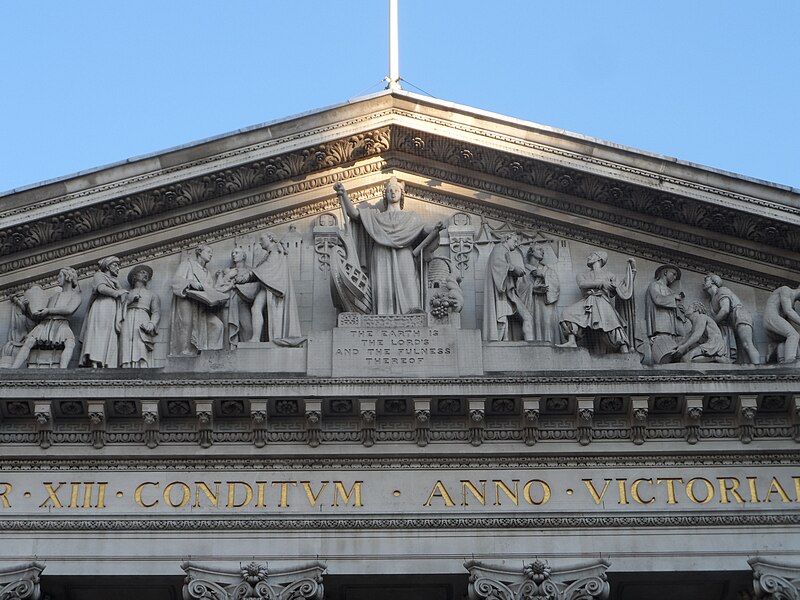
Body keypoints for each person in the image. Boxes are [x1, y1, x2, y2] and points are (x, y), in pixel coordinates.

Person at [333, 178, 443, 315]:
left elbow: (425, 230)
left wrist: (436, 227)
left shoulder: (411, 217)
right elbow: (354, 214)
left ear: (402, 194)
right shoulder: (375, 216)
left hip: (404, 253)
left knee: (409, 283)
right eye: (389, 190)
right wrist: (343, 195)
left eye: (396, 190)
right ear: (385, 194)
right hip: (381, 253)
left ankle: (412, 314)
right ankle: (382, 315)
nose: (393, 192)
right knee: (382, 289)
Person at [557, 251, 636, 353]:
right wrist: (601, 284)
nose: (589, 257)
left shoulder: (609, 275)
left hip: (602, 301)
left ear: (599, 258)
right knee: (567, 314)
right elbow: (582, 284)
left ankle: (624, 349)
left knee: (612, 325)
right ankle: (572, 341)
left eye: (592, 255)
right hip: (588, 302)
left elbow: (623, 288)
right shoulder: (582, 275)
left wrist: (632, 271)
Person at [11, 267, 82, 369]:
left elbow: (69, 310)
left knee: (70, 343)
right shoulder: (53, 297)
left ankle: (63, 371)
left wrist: (48, 310)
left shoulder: (75, 296)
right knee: (28, 342)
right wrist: (26, 308)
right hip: (45, 324)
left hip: (61, 324)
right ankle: (14, 368)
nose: (57, 279)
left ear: (67, 277)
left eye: (60, 276)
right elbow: (36, 316)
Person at [235, 234, 301, 343]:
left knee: (256, 308)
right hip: (268, 285)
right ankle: (256, 337)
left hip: (271, 286)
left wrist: (246, 277)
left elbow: (266, 269)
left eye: (262, 239)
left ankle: (256, 338)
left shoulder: (276, 251)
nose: (260, 242)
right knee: (256, 308)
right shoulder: (271, 253)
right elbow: (261, 270)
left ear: (270, 238)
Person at [170, 244, 225, 356]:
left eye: (211, 253)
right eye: (208, 251)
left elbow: (210, 291)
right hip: (187, 299)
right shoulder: (187, 264)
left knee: (217, 325)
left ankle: (212, 355)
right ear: (199, 252)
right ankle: (184, 351)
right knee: (187, 324)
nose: (211, 254)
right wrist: (190, 283)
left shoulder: (207, 273)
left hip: (202, 305)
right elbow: (175, 280)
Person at [482, 233, 533, 342]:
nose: (516, 244)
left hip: (508, 292)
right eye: (514, 241)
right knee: (505, 317)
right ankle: (502, 342)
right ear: (507, 238)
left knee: (515, 317)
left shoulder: (505, 251)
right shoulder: (500, 248)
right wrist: (513, 268)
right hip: (503, 293)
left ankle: (507, 340)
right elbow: (498, 264)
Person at [80, 256, 128, 368]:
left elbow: (123, 296)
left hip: (112, 308)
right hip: (101, 306)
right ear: (108, 266)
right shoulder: (99, 275)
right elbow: (101, 288)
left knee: (110, 333)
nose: (118, 268)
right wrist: (117, 292)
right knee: (99, 332)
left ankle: (105, 361)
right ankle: (94, 360)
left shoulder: (116, 281)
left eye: (118, 266)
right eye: (115, 265)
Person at [703, 273, 760, 364]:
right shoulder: (711, 300)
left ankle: (758, 368)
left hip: (739, 315)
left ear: (713, 282)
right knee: (742, 351)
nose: (704, 283)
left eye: (706, 280)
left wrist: (711, 323)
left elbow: (725, 310)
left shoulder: (721, 290)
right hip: (731, 323)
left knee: (747, 344)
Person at [216, 246, 259, 347]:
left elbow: (254, 288)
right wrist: (227, 276)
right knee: (227, 330)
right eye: (232, 253)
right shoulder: (227, 271)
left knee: (248, 329)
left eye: (236, 253)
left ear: (243, 256)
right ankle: (228, 355)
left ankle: (248, 355)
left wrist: (235, 286)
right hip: (228, 304)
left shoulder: (250, 271)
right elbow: (217, 288)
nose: (233, 255)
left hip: (242, 303)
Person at [120, 264, 161, 368]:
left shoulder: (152, 294)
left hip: (143, 317)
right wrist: (129, 301)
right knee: (125, 342)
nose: (145, 274)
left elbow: (156, 312)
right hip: (127, 317)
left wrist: (151, 324)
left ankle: (141, 365)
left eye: (147, 274)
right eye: (142, 272)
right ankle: (126, 366)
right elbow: (117, 310)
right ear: (134, 276)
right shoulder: (126, 293)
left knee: (140, 344)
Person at [518, 244, 560, 343]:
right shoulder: (523, 270)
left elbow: (556, 287)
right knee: (531, 324)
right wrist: (532, 288)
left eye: (542, 249)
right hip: (530, 303)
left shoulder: (547, 270)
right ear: (531, 252)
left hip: (545, 304)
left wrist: (543, 275)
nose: (542, 251)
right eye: (539, 249)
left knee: (547, 324)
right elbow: (517, 288)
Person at [763, 285, 800, 364]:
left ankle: (780, 360)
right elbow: (788, 311)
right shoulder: (786, 289)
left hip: (773, 322)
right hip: (771, 317)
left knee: (786, 340)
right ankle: (790, 361)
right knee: (793, 335)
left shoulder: (792, 303)